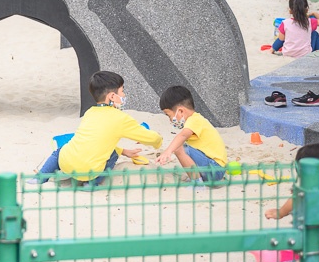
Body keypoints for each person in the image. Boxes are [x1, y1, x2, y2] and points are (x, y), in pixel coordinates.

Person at [28, 71, 162, 188]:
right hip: (90, 172)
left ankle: (40, 178)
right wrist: (159, 142)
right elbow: (152, 138)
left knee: (60, 151)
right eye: (122, 91)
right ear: (112, 96)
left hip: (66, 165)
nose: (124, 94)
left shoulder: (90, 112)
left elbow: (97, 141)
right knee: (112, 154)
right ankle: (92, 184)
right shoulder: (121, 118)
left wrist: (124, 151)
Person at [156, 85, 227, 182]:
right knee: (182, 147)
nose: (170, 120)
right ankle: (198, 178)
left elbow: (183, 135)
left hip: (214, 169)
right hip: (215, 169)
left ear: (180, 111)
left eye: (169, 115)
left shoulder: (195, 120)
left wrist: (168, 151)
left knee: (179, 147)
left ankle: (197, 182)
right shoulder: (195, 120)